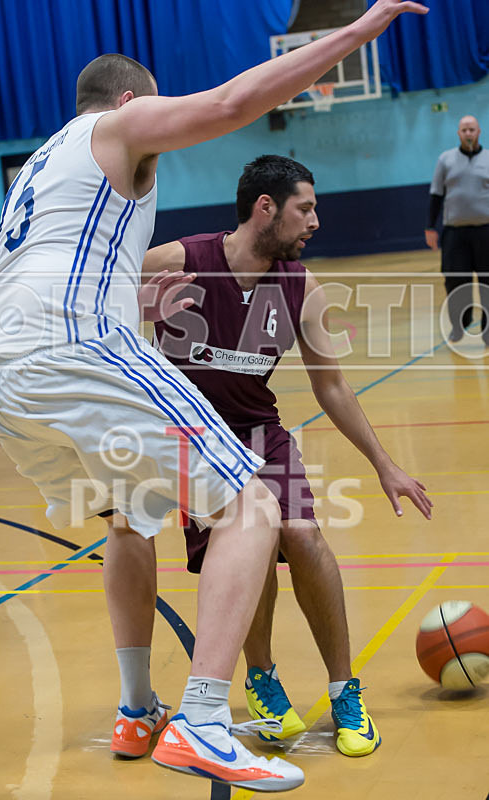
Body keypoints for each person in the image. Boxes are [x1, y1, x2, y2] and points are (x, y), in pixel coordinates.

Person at [0, 0, 429, 790]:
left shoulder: (39, 168)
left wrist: (122, 300)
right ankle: (206, 720)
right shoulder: (118, 127)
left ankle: (137, 706)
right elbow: (228, 104)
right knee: (252, 501)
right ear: (128, 102)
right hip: (74, 350)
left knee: (127, 519)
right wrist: (351, 35)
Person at [146, 154, 433, 758]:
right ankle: (262, 679)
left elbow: (332, 386)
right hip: (194, 440)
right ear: (265, 208)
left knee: (303, 535)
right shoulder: (178, 263)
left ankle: (343, 690)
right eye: (306, 208)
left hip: (258, 429)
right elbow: (100, 305)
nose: (316, 221)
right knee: (242, 549)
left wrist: (385, 464)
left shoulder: (302, 286)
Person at [425, 115, 489, 344]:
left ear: (479, 131)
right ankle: (459, 326)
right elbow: (436, 195)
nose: (468, 133)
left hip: (485, 232)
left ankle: (487, 329)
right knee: (455, 281)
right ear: (458, 133)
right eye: (464, 130)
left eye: (472, 129)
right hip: (455, 233)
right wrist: (430, 227)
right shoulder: (446, 160)